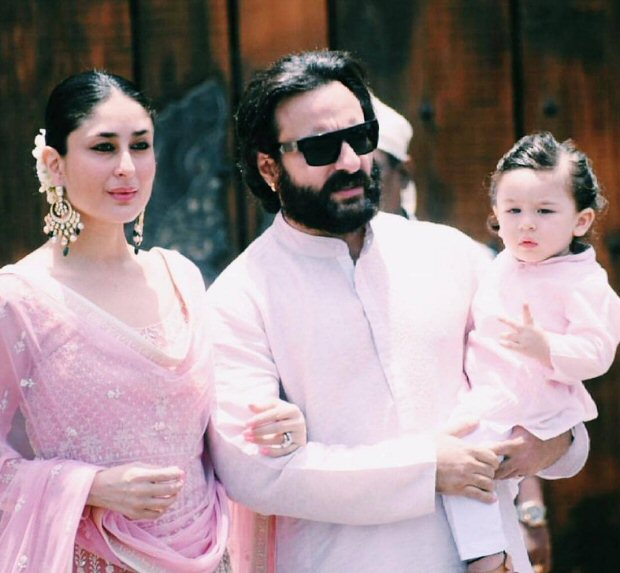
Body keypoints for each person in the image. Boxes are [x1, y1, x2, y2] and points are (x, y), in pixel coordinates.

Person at [204, 49, 590, 573]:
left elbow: (551, 395)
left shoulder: (452, 255)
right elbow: (255, 473)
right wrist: (428, 468)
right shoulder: (239, 298)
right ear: (269, 166)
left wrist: (550, 442)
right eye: (320, 147)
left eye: (361, 138)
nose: (349, 162)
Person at [0, 70, 306, 572]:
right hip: (98, 555)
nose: (127, 167)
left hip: (210, 551)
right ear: (54, 164)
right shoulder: (21, 299)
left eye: (140, 146)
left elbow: (214, 424)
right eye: (103, 148)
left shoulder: (179, 277)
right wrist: (89, 486)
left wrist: (279, 425)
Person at [372, 96, 553, 573]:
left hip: (483, 514)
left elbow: (516, 384)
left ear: (402, 174)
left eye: (373, 170)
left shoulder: (464, 259)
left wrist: (531, 510)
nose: (358, 184)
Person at [441, 131, 620, 572]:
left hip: (535, 399)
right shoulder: (500, 263)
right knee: (467, 460)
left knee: (468, 457)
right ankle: (491, 550)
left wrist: (546, 346)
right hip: (492, 393)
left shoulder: (582, 280)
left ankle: (487, 556)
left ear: (580, 221)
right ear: (495, 214)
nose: (526, 224)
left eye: (544, 211)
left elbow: (598, 351)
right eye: (513, 210)